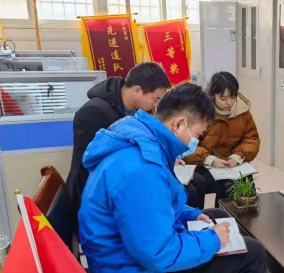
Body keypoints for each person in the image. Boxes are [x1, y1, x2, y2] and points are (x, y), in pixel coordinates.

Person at [78, 83, 284, 273]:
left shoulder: (137, 136)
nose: (197, 141)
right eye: (199, 134)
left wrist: (188, 214)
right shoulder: (140, 169)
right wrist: (212, 240)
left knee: (217, 216)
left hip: (125, 259)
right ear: (179, 123)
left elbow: (149, 210)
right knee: (251, 252)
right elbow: (158, 253)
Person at [67, 62, 206, 210]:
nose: (156, 105)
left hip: (128, 176)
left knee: (191, 185)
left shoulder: (138, 111)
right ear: (137, 90)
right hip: (101, 193)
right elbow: (87, 164)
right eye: (155, 99)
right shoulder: (94, 111)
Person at [183, 72, 260, 207]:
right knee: (227, 186)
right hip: (203, 164)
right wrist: (209, 160)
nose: (229, 102)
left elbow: (251, 138)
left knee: (247, 185)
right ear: (212, 95)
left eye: (233, 97)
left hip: (232, 164)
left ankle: (240, 219)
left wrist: (238, 156)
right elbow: (187, 144)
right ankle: (219, 217)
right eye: (223, 98)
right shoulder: (201, 113)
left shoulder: (243, 112)